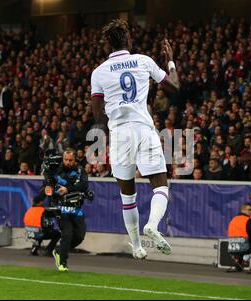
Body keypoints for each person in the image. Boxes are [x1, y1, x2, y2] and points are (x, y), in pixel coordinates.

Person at [91, 19, 179, 259]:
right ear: (128, 40)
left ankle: (137, 246)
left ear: (107, 44)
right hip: (143, 128)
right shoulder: (143, 60)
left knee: (127, 196)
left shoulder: (98, 73)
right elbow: (174, 87)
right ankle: (153, 224)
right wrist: (170, 60)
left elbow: (97, 115)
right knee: (160, 185)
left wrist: (115, 113)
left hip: (119, 133)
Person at [42, 149, 89, 271]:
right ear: (63, 159)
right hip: (61, 208)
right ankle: (62, 262)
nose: (68, 162)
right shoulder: (55, 170)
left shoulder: (80, 171)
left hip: (76, 209)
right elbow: (47, 184)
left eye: (70, 160)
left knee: (79, 236)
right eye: (66, 160)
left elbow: (84, 186)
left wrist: (68, 189)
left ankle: (59, 251)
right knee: (67, 234)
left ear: (75, 160)